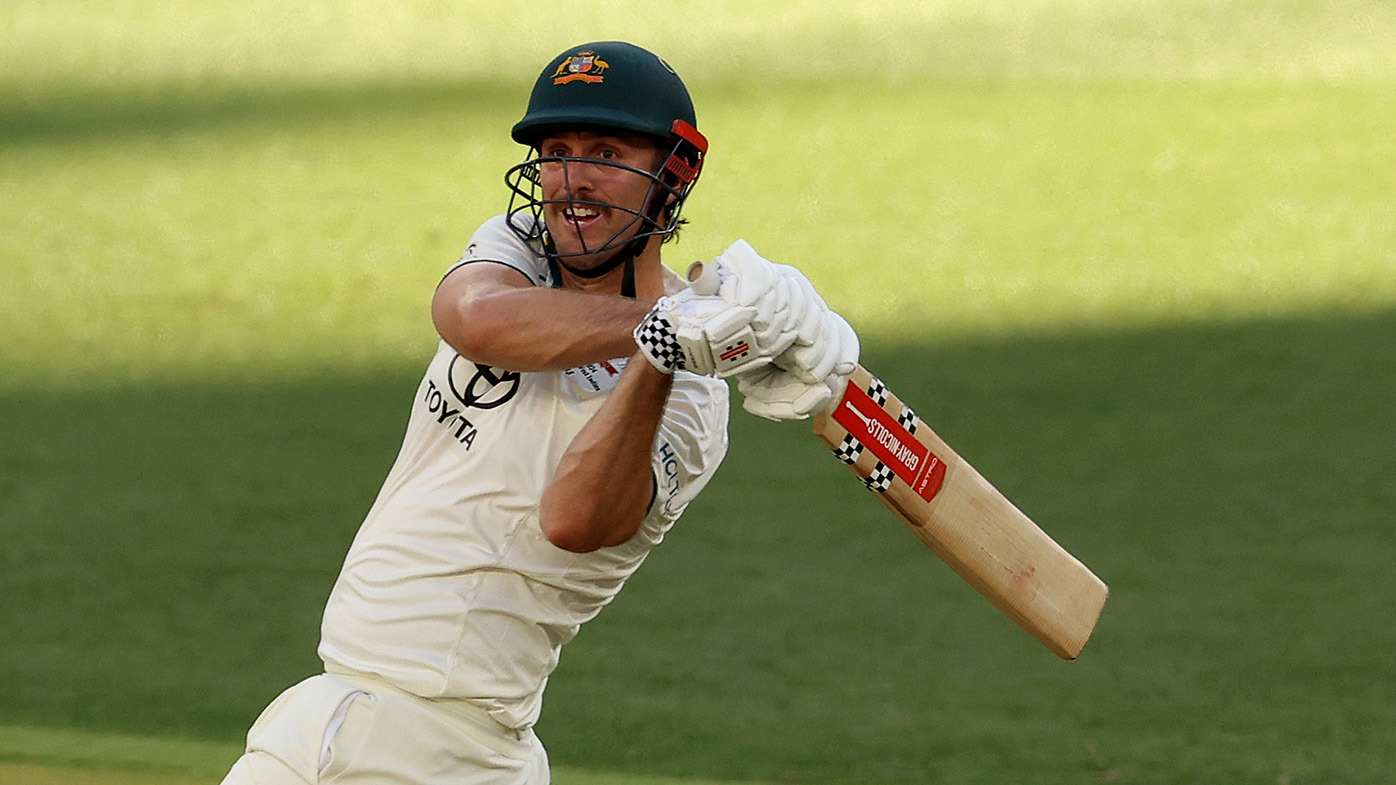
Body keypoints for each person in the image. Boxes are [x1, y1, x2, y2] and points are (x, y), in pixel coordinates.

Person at [220, 40, 857, 785]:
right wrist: (668, 320)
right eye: (556, 150)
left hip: (444, 750)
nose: (571, 178)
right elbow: (472, 316)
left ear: (672, 176)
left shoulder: (690, 401)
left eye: (606, 151)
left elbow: (577, 519)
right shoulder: (519, 247)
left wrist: (663, 353)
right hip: (319, 714)